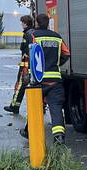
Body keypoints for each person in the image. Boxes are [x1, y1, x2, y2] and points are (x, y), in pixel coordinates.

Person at [21, 12, 71, 144]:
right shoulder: (57, 37)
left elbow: (28, 55)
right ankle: (59, 136)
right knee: (56, 107)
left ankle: (28, 131)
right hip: (55, 79)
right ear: (48, 23)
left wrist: (26, 73)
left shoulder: (33, 36)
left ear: (36, 23)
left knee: (35, 107)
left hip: (38, 79)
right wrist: (56, 63)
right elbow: (66, 53)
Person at [4, 14, 36, 113]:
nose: (21, 24)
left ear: (25, 23)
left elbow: (26, 49)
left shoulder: (27, 34)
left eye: (22, 23)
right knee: (34, 86)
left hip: (26, 65)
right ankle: (40, 107)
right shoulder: (34, 32)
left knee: (20, 85)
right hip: (34, 66)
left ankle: (14, 106)